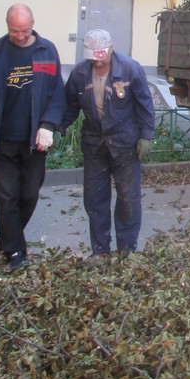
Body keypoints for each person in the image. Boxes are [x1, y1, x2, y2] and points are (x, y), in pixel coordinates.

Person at [0, 4, 66, 272]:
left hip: (35, 140)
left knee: (29, 193)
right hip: (2, 138)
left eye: (24, 30)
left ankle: (9, 237)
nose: (19, 36)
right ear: (7, 25)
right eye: (13, 30)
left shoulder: (46, 51)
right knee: (7, 196)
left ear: (33, 25)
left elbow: (57, 94)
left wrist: (48, 125)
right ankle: (16, 252)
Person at [62, 28, 155, 260]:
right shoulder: (80, 74)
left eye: (101, 57)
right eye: (94, 58)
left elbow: (145, 104)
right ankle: (100, 250)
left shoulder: (130, 69)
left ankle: (126, 249)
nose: (98, 62)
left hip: (125, 143)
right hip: (95, 144)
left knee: (128, 198)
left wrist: (146, 136)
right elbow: (69, 105)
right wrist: (55, 127)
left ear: (111, 49)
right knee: (95, 199)